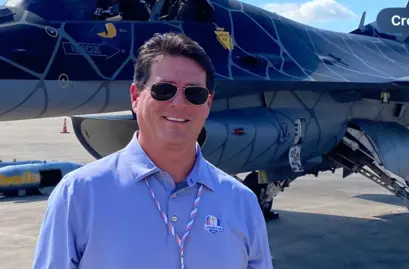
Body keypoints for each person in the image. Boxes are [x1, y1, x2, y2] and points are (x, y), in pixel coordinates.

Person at [32, 32, 273, 269]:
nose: (179, 103)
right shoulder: (80, 195)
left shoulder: (241, 202)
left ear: (208, 104)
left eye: (195, 93)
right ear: (136, 96)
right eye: (163, 90)